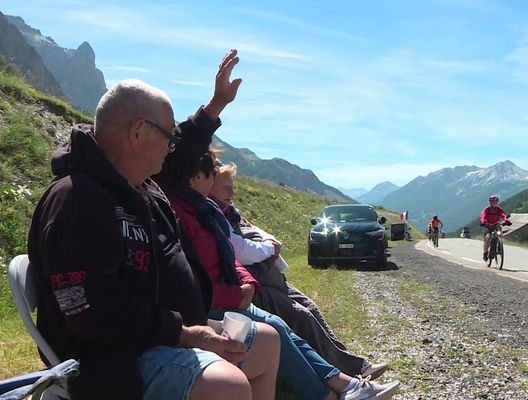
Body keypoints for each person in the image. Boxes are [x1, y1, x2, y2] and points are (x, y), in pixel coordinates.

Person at [27, 50, 280, 400]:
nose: (171, 147)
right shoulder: (78, 200)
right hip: (109, 358)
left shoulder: (145, 188)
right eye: (168, 138)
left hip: (167, 334)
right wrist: (185, 335)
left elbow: (184, 150)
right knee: (227, 386)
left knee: (266, 342)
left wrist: (215, 107)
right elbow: (94, 313)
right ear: (138, 133)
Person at [156, 145, 400, 400]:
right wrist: (238, 292)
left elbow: (228, 254)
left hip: (241, 291)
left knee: (285, 321)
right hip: (218, 302)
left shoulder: (204, 212)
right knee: (282, 323)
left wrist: (247, 282)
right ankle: (335, 391)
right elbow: (197, 277)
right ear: (197, 178)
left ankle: (347, 382)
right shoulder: (182, 216)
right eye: (214, 178)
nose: (230, 191)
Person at [209, 161, 388, 378]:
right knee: (301, 316)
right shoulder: (213, 213)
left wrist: (269, 243)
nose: (232, 191)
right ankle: (350, 371)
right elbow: (242, 251)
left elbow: (261, 233)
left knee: (310, 307)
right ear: (209, 184)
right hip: (257, 283)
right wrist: (269, 248)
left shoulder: (230, 212)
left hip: (271, 276)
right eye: (226, 186)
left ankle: (349, 362)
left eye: (233, 185)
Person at [479, 195, 511, 261]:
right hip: (488, 225)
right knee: (489, 237)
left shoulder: (499, 209)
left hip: (496, 224)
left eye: (496, 202)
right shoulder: (487, 209)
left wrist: (506, 220)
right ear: (490, 202)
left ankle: (499, 245)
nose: (495, 203)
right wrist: (483, 221)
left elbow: (503, 214)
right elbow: (483, 216)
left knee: (499, 233)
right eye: (493, 202)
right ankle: (485, 252)